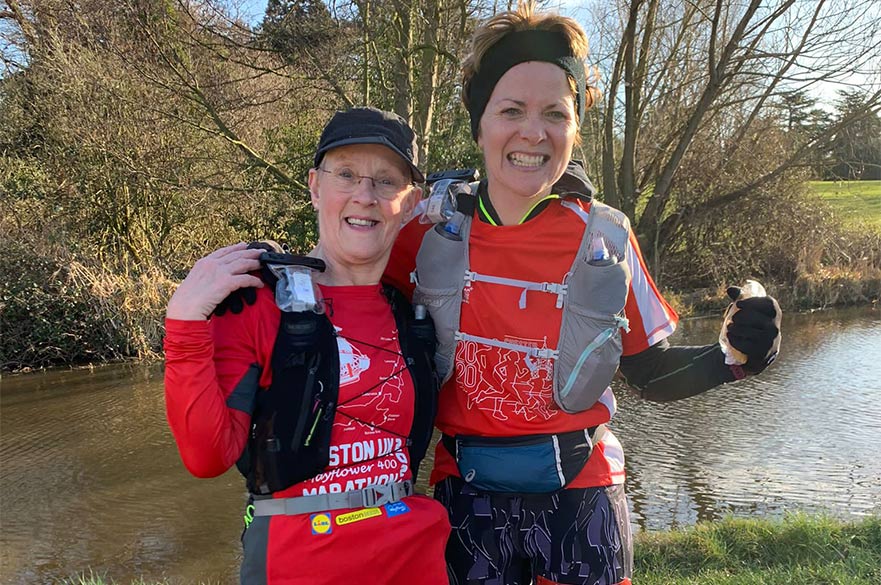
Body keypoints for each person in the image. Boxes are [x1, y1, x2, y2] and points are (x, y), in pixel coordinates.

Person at [383, 2, 782, 584]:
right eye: (511, 109)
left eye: (555, 113)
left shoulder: (608, 235)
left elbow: (649, 373)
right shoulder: (424, 232)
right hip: (466, 500)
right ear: (480, 123)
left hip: (583, 496)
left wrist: (739, 357)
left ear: (575, 126)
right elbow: (349, 313)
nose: (533, 132)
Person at [164, 107, 450, 585]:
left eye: (386, 181)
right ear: (315, 186)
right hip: (299, 559)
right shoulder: (257, 301)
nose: (364, 195)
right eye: (346, 175)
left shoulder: (414, 309)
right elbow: (206, 457)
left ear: (410, 201)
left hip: (414, 556)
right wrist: (184, 324)